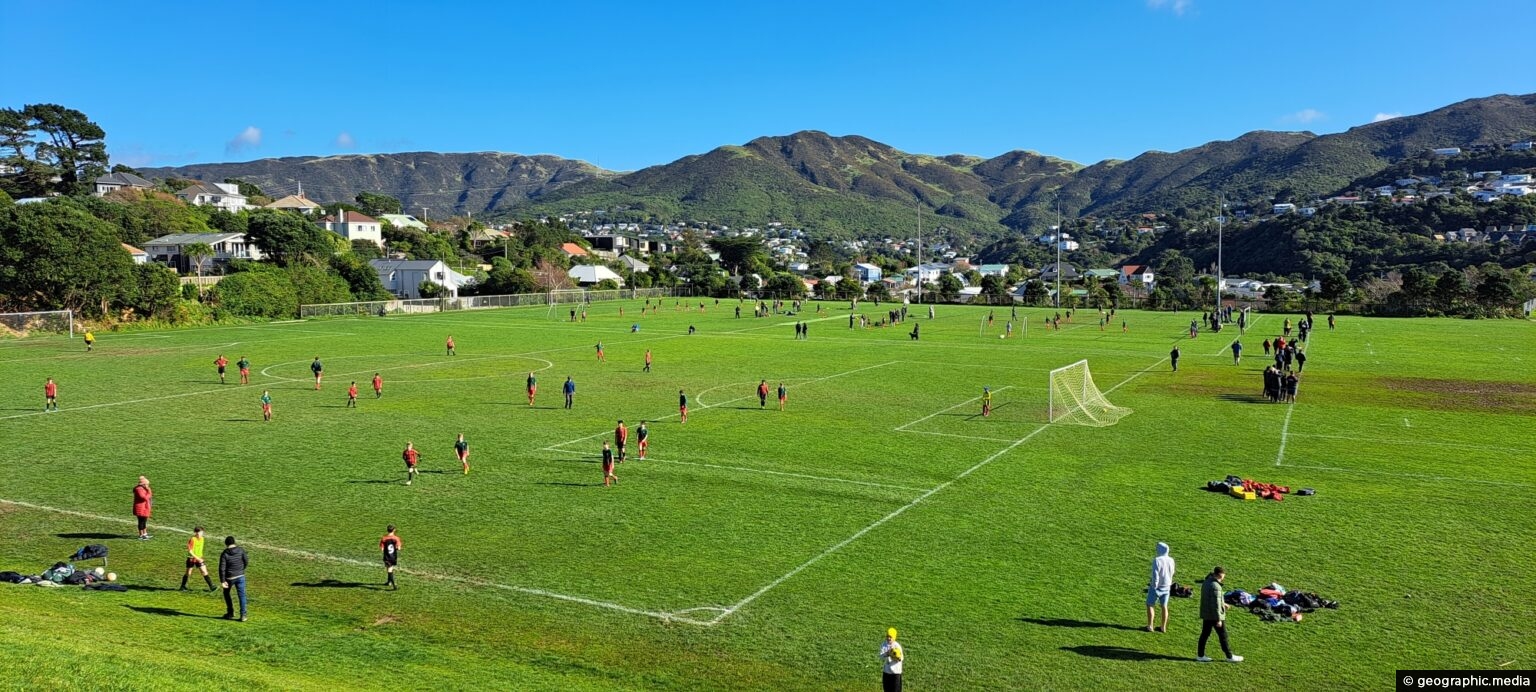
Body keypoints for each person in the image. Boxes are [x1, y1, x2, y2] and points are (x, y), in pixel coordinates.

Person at [1197, 566, 1241, 662]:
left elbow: (1211, 599)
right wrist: (1218, 619)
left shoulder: (1207, 582)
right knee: (1223, 635)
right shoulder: (1216, 586)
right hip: (1214, 615)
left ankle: (1200, 655)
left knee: (1204, 635)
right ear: (1221, 574)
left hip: (1207, 613)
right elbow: (1216, 605)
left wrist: (1223, 603)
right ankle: (1229, 656)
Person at [219, 536, 248, 622]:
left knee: (226, 593)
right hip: (240, 576)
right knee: (242, 596)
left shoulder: (225, 553)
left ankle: (230, 612)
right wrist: (241, 570)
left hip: (229, 577)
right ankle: (243, 615)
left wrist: (223, 580)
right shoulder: (241, 550)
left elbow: (222, 568)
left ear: (226, 544)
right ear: (234, 542)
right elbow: (246, 561)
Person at [1146, 542, 1174, 632]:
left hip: (1157, 587)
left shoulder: (1157, 560)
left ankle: (1150, 626)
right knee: (1164, 606)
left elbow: (1155, 574)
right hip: (1167, 587)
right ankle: (1163, 627)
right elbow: (1172, 572)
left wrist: (1154, 585)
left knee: (1150, 604)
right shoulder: (1171, 560)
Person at [181, 526, 217, 591]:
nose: (199, 534)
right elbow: (190, 551)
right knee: (188, 573)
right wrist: (197, 557)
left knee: (204, 571)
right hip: (191, 559)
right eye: (197, 532)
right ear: (195, 533)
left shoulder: (202, 539)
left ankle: (212, 586)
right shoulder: (192, 539)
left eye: (200, 532)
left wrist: (200, 557)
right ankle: (183, 586)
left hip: (199, 558)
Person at [880, 627, 904, 692]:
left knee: (896, 690)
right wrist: (888, 653)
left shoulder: (897, 646)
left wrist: (896, 657)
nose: (888, 638)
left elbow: (901, 658)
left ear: (894, 637)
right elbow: (881, 656)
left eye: (890, 637)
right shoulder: (884, 644)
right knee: (887, 689)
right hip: (886, 671)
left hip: (896, 673)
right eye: (887, 636)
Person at [380, 526, 401, 590]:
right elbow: (399, 548)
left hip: (387, 556)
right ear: (394, 530)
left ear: (387, 530)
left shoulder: (384, 538)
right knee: (389, 569)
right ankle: (390, 583)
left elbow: (382, 549)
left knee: (389, 569)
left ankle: (393, 584)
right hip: (393, 557)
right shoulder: (396, 538)